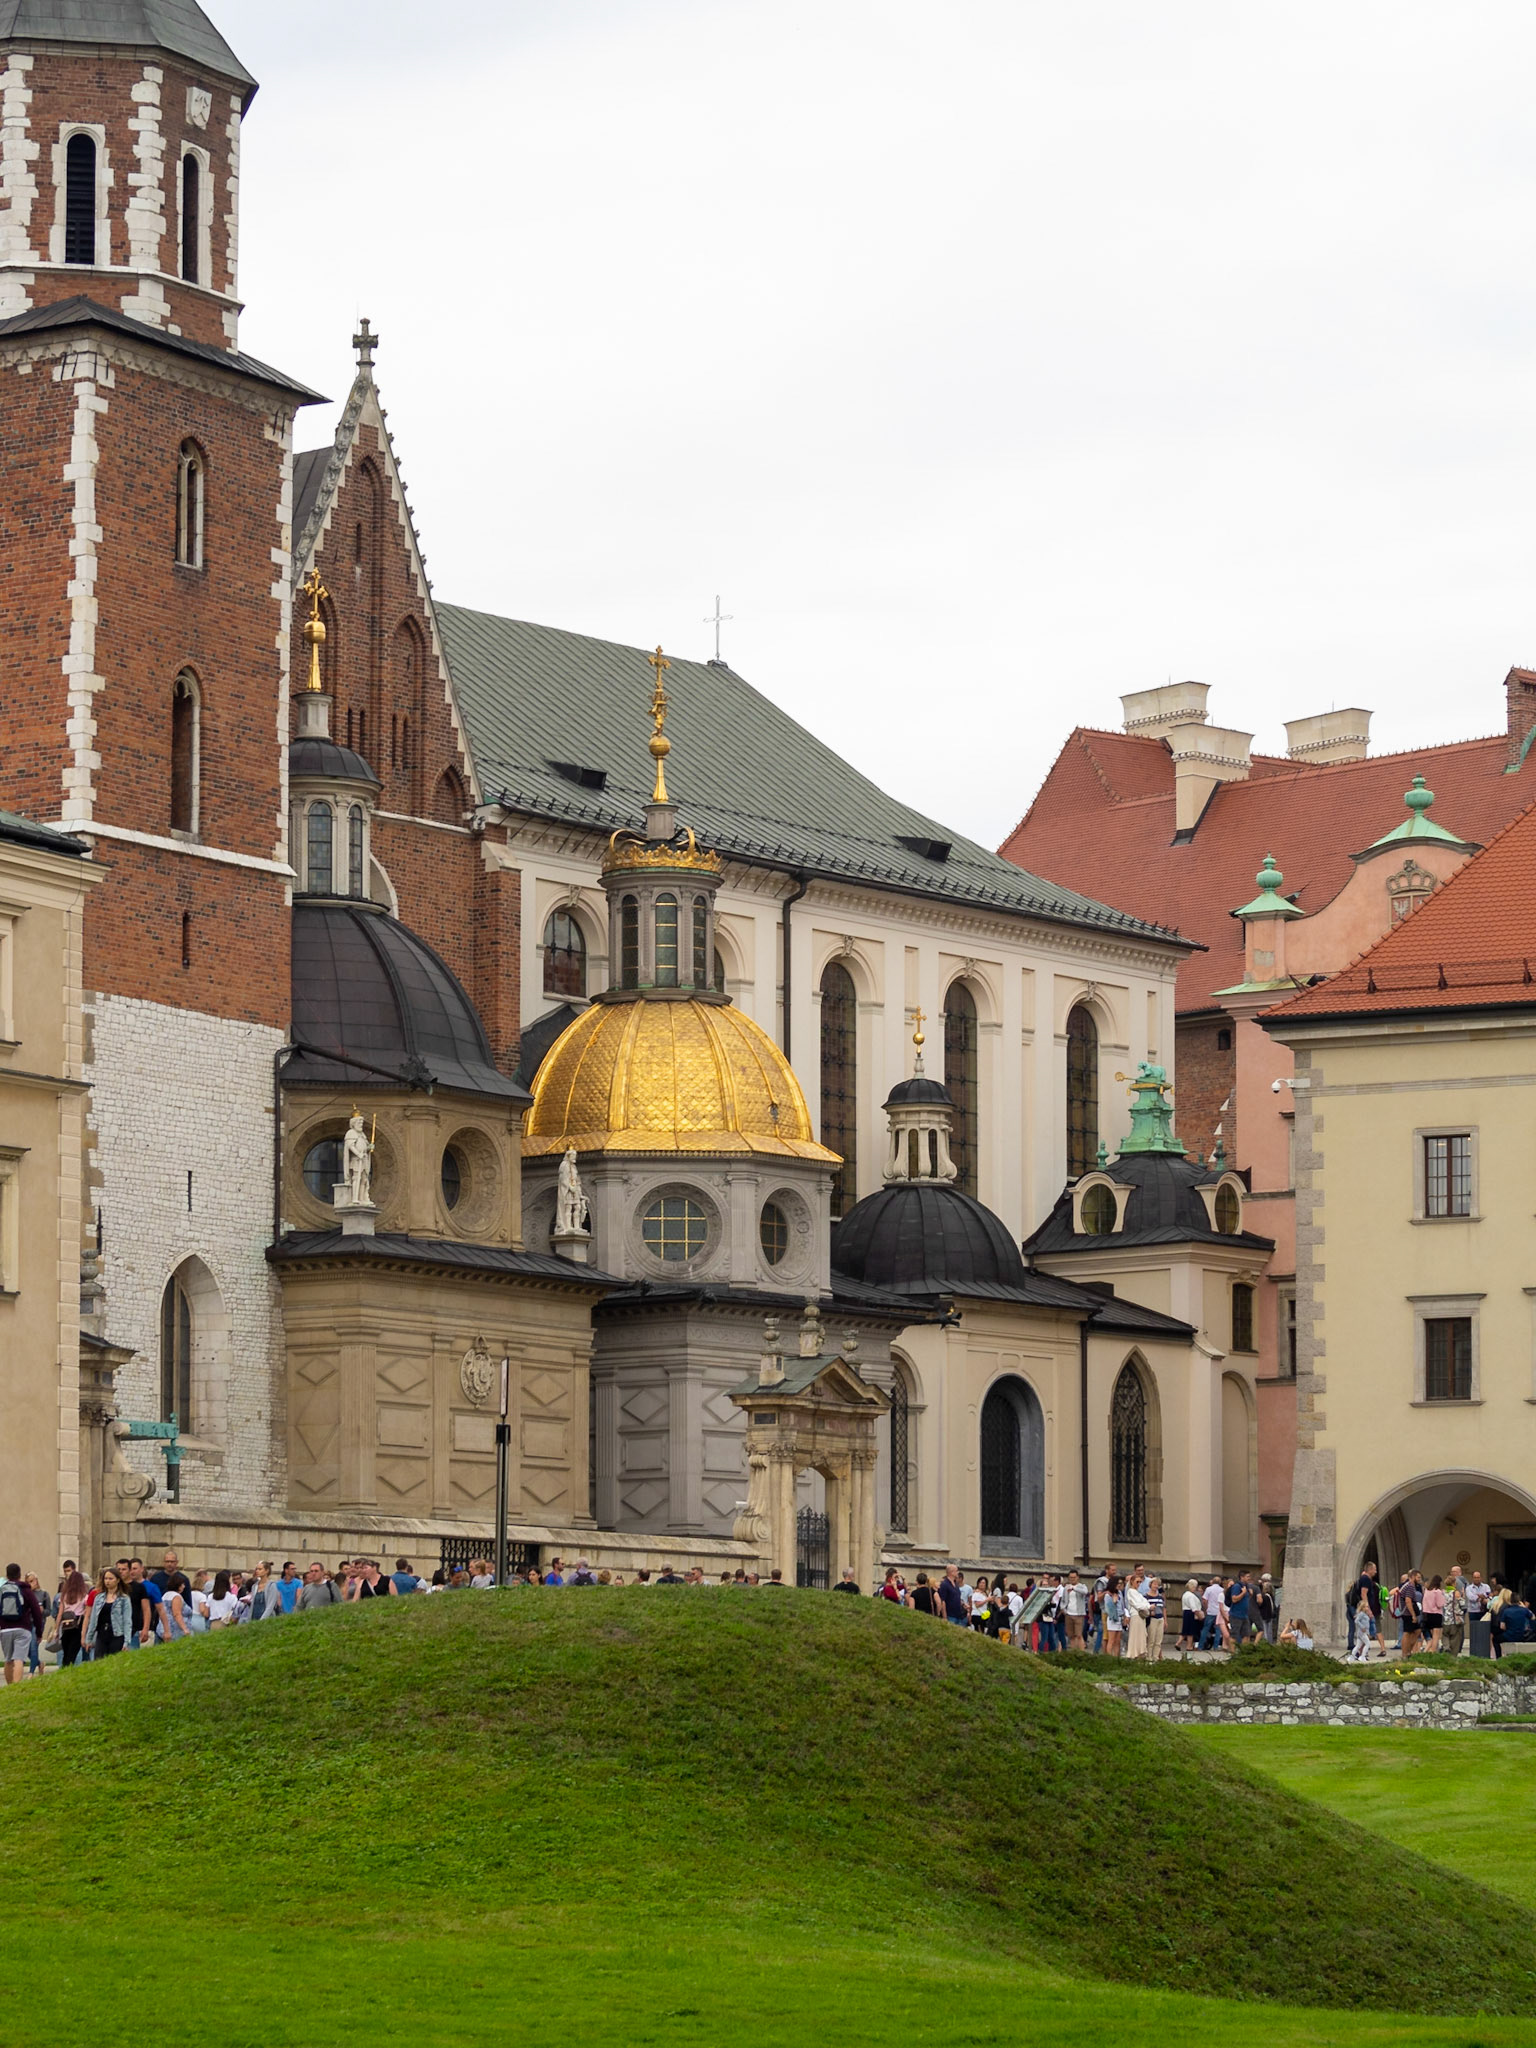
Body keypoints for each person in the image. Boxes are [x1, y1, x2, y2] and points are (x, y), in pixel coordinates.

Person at [0, 1565, 43, 1684]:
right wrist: (39, 1632)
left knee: (8, 1660)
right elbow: (36, 1612)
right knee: (19, 1659)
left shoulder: (2, 1589)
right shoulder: (26, 1590)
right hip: (22, 1629)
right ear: (19, 1575)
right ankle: (16, 1687)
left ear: (7, 1575)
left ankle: (9, 1688)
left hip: (5, 1630)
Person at [84, 1568, 131, 1659]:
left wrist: (126, 1642)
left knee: (114, 1661)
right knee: (98, 1661)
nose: (107, 1581)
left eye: (110, 1579)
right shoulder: (98, 1598)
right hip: (101, 1634)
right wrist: (88, 1639)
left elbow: (127, 1621)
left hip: (117, 1634)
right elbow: (93, 1619)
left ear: (117, 1580)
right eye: (106, 1579)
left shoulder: (124, 1599)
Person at [55, 1568, 90, 1668]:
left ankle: (64, 1670)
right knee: (73, 1654)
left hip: (65, 1626)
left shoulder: (64, 1596)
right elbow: (86, 1614)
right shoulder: (84, 1596)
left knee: (66, 1653)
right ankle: (68, 1672)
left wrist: (56, 1630)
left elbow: (59, 1614)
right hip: (77, 1625)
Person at [1123, 1571, 1150, 1659]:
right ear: (1132, 1582)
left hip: (1141, 1616)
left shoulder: (1138, 1593)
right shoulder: (1131, 1591)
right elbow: (1138, 1605)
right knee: (1135, 1635)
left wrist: (1146, 1606)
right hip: (1135, 1615)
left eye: (1140, 1582)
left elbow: (1145, 1603)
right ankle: (1134, 1653)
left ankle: (1139, 1653)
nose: (1138, 1584)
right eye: (1137, 1582)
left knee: (1142, 1635)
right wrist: (1147, 1606)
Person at [1442, 1572, 1468, 1658]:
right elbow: (1463, 1605)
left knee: (1445, 1635)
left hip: (1445, 1620)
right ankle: (1453, 1657)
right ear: (1454, 1583)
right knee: (1455, 1639)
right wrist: (1463, 1596)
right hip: (1455, 1620)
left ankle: (1446, 1647)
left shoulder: (1443, 1592)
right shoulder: (1456, 1593)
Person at [1198, 1577, 1228, 1653]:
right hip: (1219, 1612)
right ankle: (1216, 1646)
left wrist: (1206, 1607)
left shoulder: (1208, 1589)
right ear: (1220, 1582)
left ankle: (1200, 1646)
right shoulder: (1222, 1590)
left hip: (1210, 1611)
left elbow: (1204, 1599)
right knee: (1218, 1630)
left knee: (1205, 1629)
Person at [1060, 1569, 1087, 1649]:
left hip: (1079, 1614)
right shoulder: (1066, 1588)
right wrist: (1064, 1610)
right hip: (1069, 1614)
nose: (1072, 1579)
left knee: (1079, 1635)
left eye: (1074, 1577)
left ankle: (1081, 1652)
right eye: (1071, 1577)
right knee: (1071, 1635)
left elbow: (1085, 1592)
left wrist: (1074, 1588)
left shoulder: (1082, 1586)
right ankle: (1073, 1652)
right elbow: (1063, 1600)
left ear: (1077, 1577)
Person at [1421, 1576, 1446, 1653]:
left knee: (1431, 1634)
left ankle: (1430, 1649)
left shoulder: (1427, 1591)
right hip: (1436, 1614)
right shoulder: (1437, 1591)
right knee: (1436, 1635)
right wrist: (1443, 1596)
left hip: (1426, 1613)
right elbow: (1440, 1604)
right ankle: (1433, 1650)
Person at [1101, 1576, 1124, 1659]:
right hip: (1113, 1619)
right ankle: (1109, 1658)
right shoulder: (1108, 1595)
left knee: (1118, 1641)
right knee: (1111, 1640)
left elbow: (1122, 1605)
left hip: (1120, 1618)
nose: (1119, 1585)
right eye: (1118, 1583)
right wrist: (1113, 1602)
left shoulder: (1120, 1593)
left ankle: (1116, 1657)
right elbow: (1108, 1610)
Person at [1145, 1576, 1166, 1661]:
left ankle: (1155, 1657)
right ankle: (1149, 1657)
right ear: (1150, 1585)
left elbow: (1164, 1608)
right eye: (1154, 1584)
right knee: (1151, 1639)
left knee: (1158, 1640)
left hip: (1160, 1618)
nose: (1156, 1586)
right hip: (1152, 1619)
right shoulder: (1146, 1596)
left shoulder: (1160, 1597)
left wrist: (1165, 1620)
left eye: (1157, 1584)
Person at [1179, 1578, 1202, 1657]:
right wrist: (1199, 1615)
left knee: (1185, 1629)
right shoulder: (1191, 1596)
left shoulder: (1185, 1594)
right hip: (1191, 1613)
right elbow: (1194, 1607)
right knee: (1191, 1631)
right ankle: (1189, 1646)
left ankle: (1179, 1643)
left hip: (1186, 1612)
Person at [1255, 1574, 1278, 1645]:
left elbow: (1260, 1604)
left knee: (1264, 1631)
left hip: (1264, 1615)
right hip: (1270, 1615)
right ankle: (1270, 1643)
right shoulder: (1271, 1596)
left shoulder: (1264, 1597)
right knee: (1269, 1631)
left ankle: (1266, 1644)